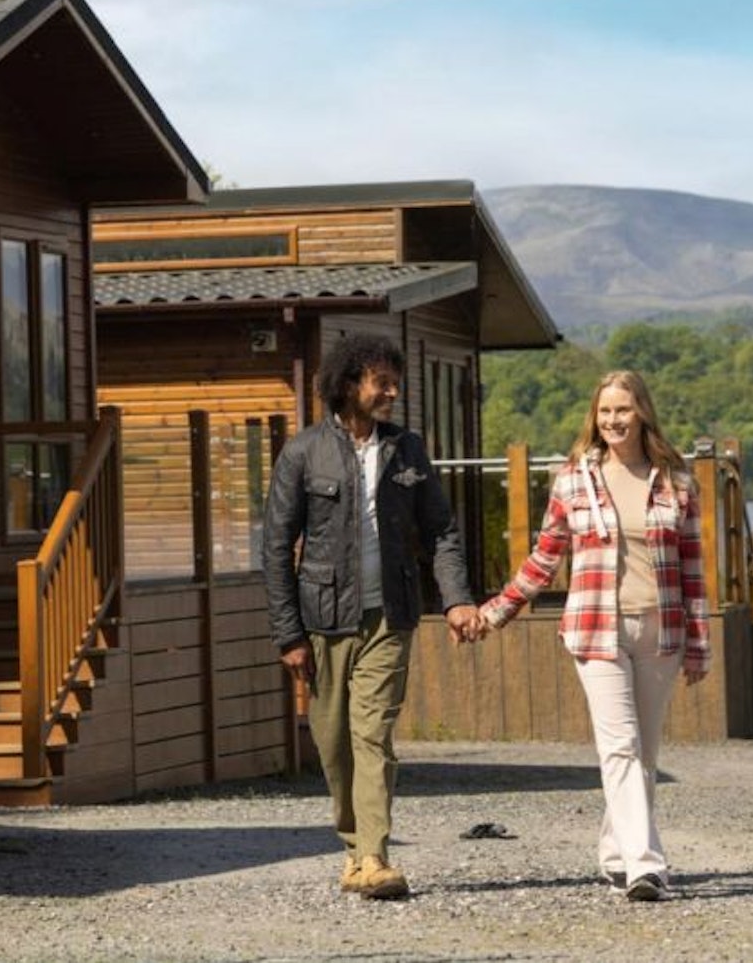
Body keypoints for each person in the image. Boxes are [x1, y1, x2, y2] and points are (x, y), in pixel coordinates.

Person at [473, 369, 709, 902]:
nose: (613, 421)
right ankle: (647, 866)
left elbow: (694, 569)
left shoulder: (678, 480)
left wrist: (699, 643)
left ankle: (613, 853)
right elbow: (545, 557)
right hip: (594, 629)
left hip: (661, 630)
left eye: (622, 410)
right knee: (620, 747)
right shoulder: (574, 478)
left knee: (643, 755)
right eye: (604, 412)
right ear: (594, 418)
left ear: (642, 411)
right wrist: (496, 612)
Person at [263, 332, 479, 900]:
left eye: (393, 380)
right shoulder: (303, 452)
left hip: (391, 615)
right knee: (332, 742)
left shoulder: (407, 451)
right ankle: (354, 848)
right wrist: (289, 633)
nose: (392, 391)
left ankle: (375, 855)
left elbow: (442, 532)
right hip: (323, 619)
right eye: (381, 381)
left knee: (372, 733)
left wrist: (456, 598)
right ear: (348, 384)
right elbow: (276, 545)